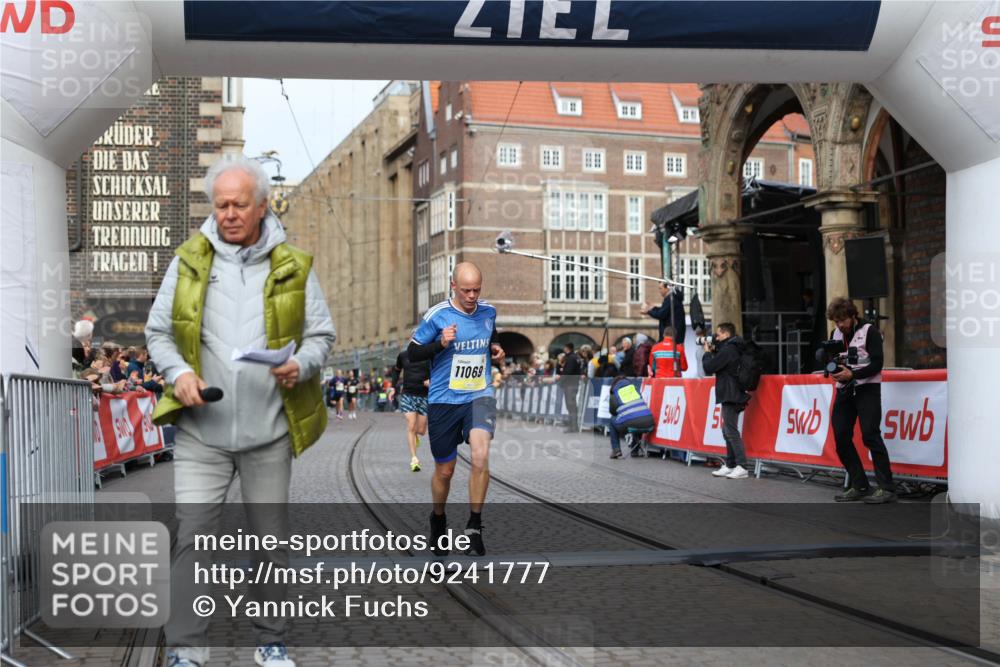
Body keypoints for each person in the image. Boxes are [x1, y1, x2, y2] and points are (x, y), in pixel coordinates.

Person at [146, 155, 335, 667]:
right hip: (201, 433)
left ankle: (271, 641)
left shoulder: (293, 264)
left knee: (270, 545)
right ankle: (186, 651)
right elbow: (158, 332)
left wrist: (302, 363)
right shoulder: (187, 260)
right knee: (194, 541)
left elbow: (322, 335)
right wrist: (178, 374)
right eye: (221, 204)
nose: (228, 213)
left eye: (239, 204)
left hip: (269, 431)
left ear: (262, 206)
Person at [408, 262, 505, 557]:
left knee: (480, 456)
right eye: (466, 290)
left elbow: (491, 334)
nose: (472, 295)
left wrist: (496, 347)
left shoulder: (488, 311)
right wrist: (439, 343)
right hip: (444, 399)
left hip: (479, 394)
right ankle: (438, 519)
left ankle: (474, 526)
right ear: (454, 287)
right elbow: (412, 353)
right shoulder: (438, 316)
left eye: (477, 289)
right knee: (445, 471)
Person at [825, 297, 896, 503]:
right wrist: (833, 367)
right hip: (844, 389)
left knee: (870, 435)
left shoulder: (869, 331)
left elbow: (877, 364)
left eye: (843, 320)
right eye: (836, 322)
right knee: (841, 437)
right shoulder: (836, 333)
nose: (840, 325)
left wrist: (853, 375)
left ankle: (887, 488)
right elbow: (834, 360)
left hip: (868, 388)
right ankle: (860, 484)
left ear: (853, 315)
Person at [701, 323, 750, 480]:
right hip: (731, 392)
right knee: (726, 430)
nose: (716, 337)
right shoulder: (731, 348)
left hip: (731, 393)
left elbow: (709, 367)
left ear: (726, 334)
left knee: (730, 430)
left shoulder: (729, 349)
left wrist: (707, 353)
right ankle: (730, 464)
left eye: (718, 334)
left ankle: (742, 466)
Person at [394, 344, 431, 472]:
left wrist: (431, 381)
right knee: (411, 425)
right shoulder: (403, 355)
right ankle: (414, 459)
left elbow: (439, 371)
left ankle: (416, 436)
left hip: (424, 396)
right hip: (408, 395)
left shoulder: (429, 355)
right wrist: (393, 387)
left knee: (420, 430)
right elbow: (397, 370)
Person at [607, 375, 655, 459]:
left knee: (612, 421)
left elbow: (612, 412)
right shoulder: (634, 389)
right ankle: (635, 450)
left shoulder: (615, 392)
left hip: (631, 423)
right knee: (637, 417)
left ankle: (616, 450)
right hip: (649, 422)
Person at [556, 342, 583, 433]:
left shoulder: (571, 358)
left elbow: (568, 371)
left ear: (567, 348)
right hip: (573, 383)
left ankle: (573, 426)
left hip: (570, 384)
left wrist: (561, 381)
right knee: (571, 406)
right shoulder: (576, 357)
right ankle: (573, 426)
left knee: (571, 406)